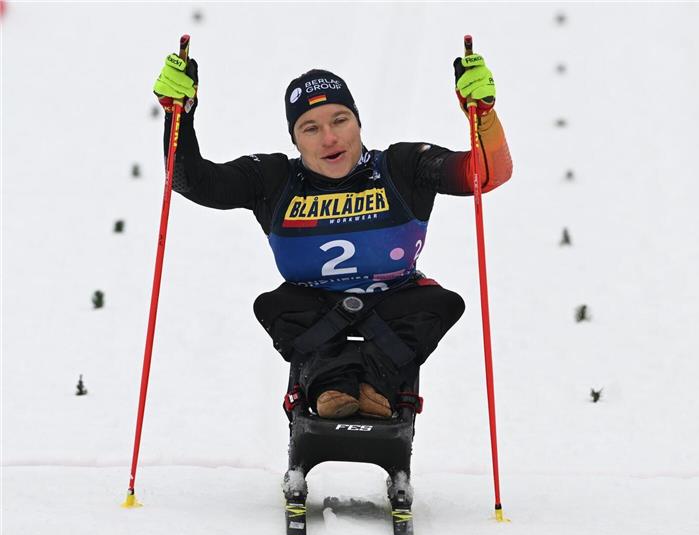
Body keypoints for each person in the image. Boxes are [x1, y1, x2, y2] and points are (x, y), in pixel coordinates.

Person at [152, 49, 512, 420]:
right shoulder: (273, 178)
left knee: (440, 302)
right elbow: (190, 181)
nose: (329, 138)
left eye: (340, 120)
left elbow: (485, 174)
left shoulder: (403, 166)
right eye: (311, 128)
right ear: (295, 140)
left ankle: (377, 383)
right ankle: (331, 385)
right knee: (275, 306)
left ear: (358, 122)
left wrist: (482, 115)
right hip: (312, 308)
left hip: (396, 302)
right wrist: (179, 113)